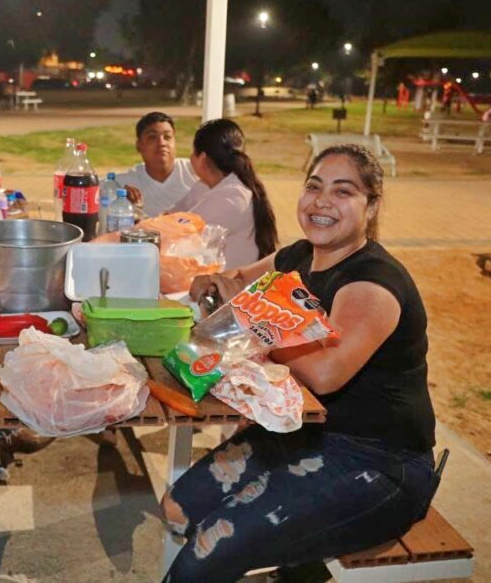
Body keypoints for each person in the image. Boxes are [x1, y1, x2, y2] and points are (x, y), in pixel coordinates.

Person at [167, 144, 437, 581]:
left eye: (343, 191)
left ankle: (296, 569)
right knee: (177, 510)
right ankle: (296, 570)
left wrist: (253, 314)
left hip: (378, 463)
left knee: (207, 549)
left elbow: (326, 373)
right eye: (314, 186)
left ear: (371, 206)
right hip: (304, 434)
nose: (322, 201)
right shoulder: (297, 257)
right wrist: (215, 281)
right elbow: (239, 279)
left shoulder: (373, 283)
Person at [171, 118, 278, 269]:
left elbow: (177, 237)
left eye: (193, 152)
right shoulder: (205, 186)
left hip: (232, 288)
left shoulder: (231, 197)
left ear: (201, 158)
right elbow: (170, 218)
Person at [114, 111, 198, 217]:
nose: (162, 143)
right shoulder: (125, 183)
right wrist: (118, 197)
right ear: (139, 146)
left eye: (167, 137)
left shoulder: (196, 171)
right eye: (152, 137)